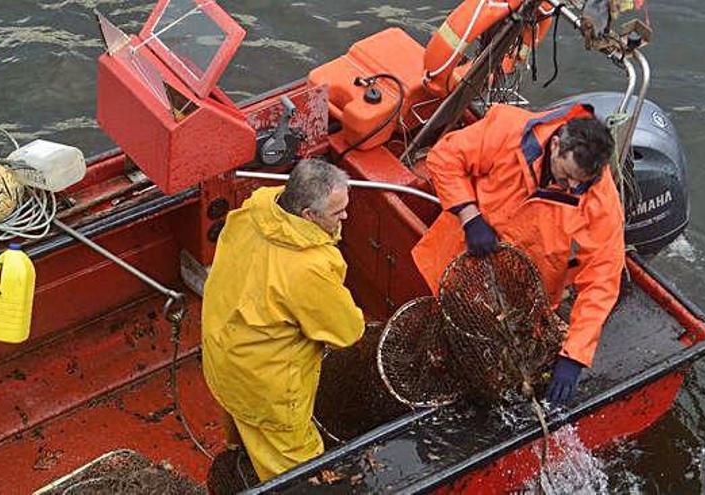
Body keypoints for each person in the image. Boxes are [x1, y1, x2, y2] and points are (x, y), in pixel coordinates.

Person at [411, 102, 624, 406]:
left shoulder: (600, 202)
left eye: (582, 182)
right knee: (436, 332)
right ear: (555, 145)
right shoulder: (507, 129)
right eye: (566, 176)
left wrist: (574, 355)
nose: (572, 186)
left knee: (496, 365)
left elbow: (602, 279)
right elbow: (445, 157)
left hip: (520, 300)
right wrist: (470, 216)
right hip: (458, 257)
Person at [201, 158, 365, 481]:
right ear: (308, 216)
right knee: (297, 475)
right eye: (337, 213)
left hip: (222, 358)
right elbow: (348, 332)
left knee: (241, 423)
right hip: (266, 389)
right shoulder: (307, 268)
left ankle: (242, 457)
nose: (345, 216)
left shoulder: (254, 211)